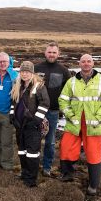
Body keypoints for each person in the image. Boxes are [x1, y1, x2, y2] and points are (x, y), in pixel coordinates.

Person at [58, 54, 101, 195]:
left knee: (94, 154)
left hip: (94, 125)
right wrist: (69, 114)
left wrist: (99, 116)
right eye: (83, 61)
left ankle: (93, 185)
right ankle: (67, 175)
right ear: (79, 64)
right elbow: (63, 100)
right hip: (74, 123)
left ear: (93, 63)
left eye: (89, 61)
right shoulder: (71, 82)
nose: (86, 64)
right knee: (66, 148)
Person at [34, 42, 71, 176]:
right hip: (36, 111)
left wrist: (66, 109)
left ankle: (47, 167)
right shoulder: (36, 68)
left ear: (58, 54)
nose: (51, 54)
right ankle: (33, 164)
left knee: (49, 142)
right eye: (49, 52)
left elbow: (69, 91)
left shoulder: (64, 71)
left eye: (54, 52)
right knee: (35, 139)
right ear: (45, 53)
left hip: (53, 111)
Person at [11, 61, 50, 187]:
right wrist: (12, 116)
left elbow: (45, 104)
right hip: (20, 125)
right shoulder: (17, 85)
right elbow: (13, 102)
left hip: (33, 126)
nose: (25, 74)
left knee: (32, 153)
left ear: (32, 73)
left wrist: (36, 121)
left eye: (27, 71)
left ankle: (31, 180)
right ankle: (24, 173)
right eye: (22, 71)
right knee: (22, 151)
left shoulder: (39, 86)